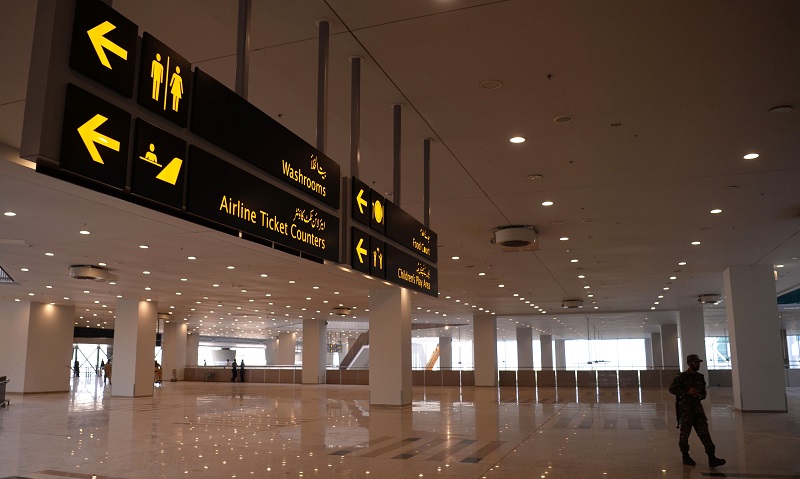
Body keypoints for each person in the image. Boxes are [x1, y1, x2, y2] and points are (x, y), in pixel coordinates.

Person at [669, 354, 726, 468]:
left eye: (699, 363)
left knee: (705, 434)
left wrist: (699, 395)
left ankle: (712, 458)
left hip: (698, 411)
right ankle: (685, 456)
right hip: (686, 411)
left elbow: (704, 394)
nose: (698, 365)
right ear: (689, 363)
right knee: (684, 435)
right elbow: (672, 389)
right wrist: (686, 392)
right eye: (696, 363)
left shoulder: (700, 377)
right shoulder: (682, 377)